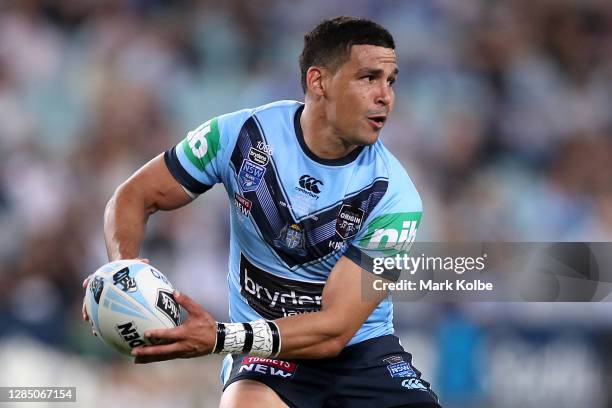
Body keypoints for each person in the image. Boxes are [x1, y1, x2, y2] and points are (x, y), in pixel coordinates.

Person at [83, 16, 441, 408]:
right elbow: (133, 195)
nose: (385, 96)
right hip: (267, 357)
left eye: (391, 81)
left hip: (362, 356)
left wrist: (219, 337)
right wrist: (123, 273)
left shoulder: (394, 197)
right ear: (318, 81)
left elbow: (336, 330)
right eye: (368, 78)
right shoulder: (240, 136)